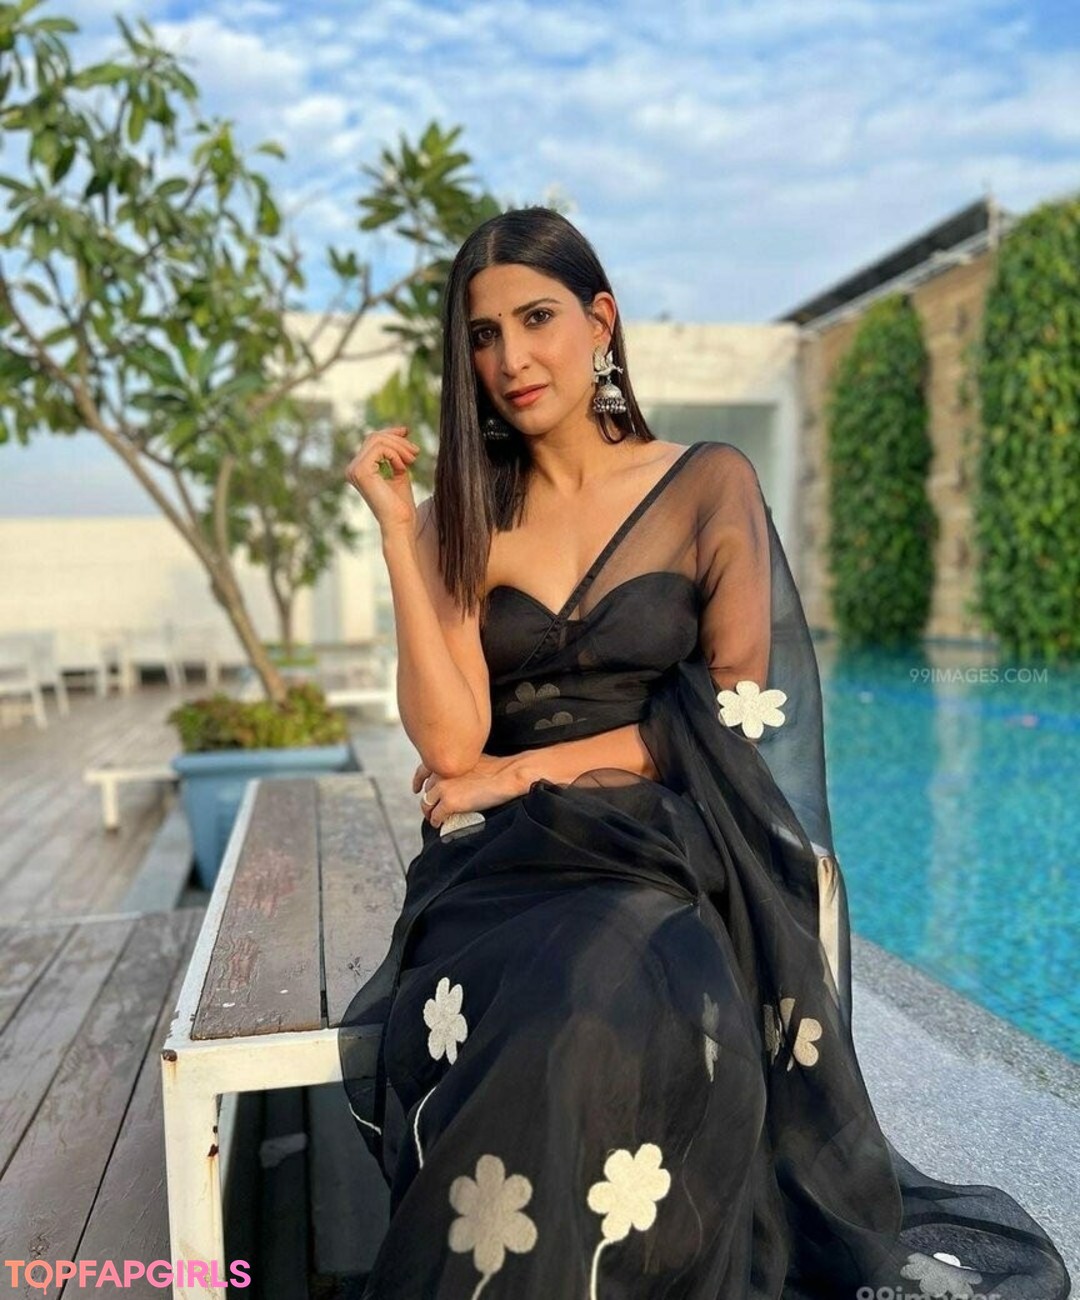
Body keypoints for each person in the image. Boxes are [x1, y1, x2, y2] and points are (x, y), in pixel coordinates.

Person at [338, 207, 1071, 1299]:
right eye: (483, 335)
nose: (510, 358)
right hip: (505, 862)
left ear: (600, 321)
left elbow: (737, 715)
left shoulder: (705, 484)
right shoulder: (471, 515)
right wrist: (403, 537)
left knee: (621, 983)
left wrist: (519, 768)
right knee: (545, 1003)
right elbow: (449, 743)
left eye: (536, 319)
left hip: (671, 839)